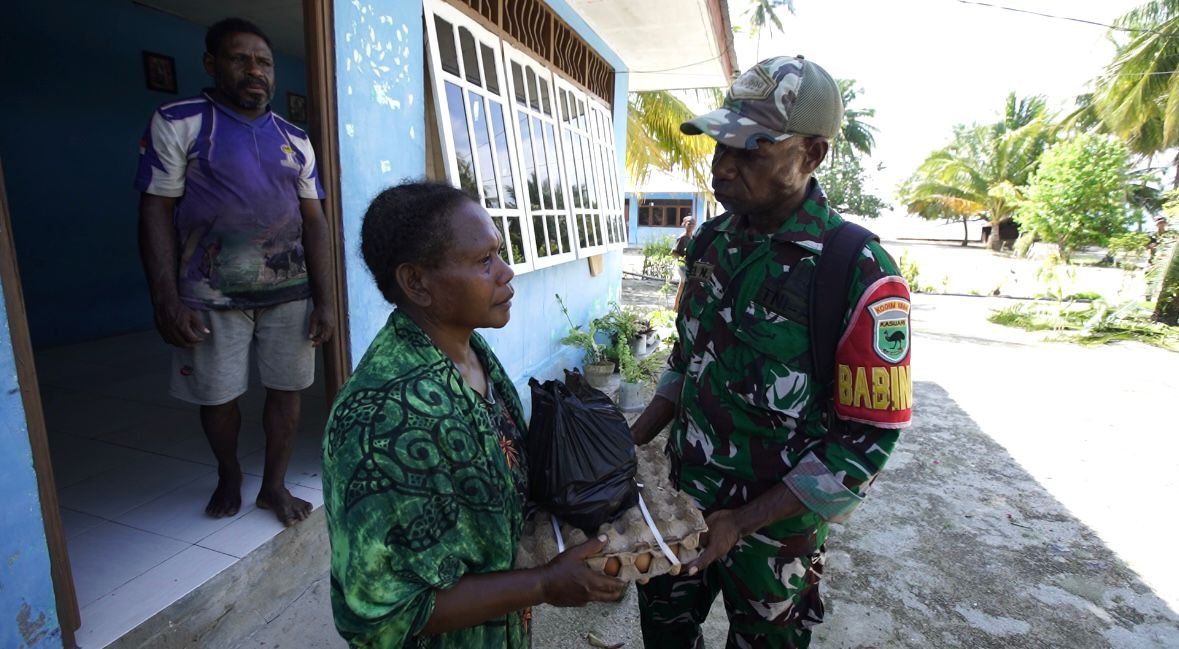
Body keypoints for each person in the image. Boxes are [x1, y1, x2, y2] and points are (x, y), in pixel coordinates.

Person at [630, 55, 913, 648]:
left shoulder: (857, 271)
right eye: (719, 145)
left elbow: (866, 442)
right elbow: (687, 359)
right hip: (679, 507)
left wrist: (742, 521)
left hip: (775, 535)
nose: (723, 167)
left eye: (752, 150)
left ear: (812, 154)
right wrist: (631, 440)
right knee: (664, 636)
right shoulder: (711, 241)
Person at [321, 182, 625, 648]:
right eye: (484, 261)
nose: (506, 272)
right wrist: (543, 584)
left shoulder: (471, 353)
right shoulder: (383, 420)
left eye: (498, 253)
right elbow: (382, 615)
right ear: (417, 282)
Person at [135, 17, 335, 526]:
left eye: (263, 61)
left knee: (287, 391)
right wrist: (165, 298)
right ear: (212, 63)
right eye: (240, 58)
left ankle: (274, 485)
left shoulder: (295, 138)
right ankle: (228, 473)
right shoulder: (180, 122)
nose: (254, 70)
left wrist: (327, 299)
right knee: (218, 395)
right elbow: (156, 209)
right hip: (209, 294)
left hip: (290, 294)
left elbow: (314, 222)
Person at [671, 216, 696, 311]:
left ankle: (679, 306)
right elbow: (673, 252)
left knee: (684, 285)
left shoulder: (693, 237)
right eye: (689, 223)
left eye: (693, 224)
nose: (691, 226)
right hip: (682, 265)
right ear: (684, 224)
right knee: (683, 284)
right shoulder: (682, 238)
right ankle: (676, 307)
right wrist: (683, 259)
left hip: (690, 264)